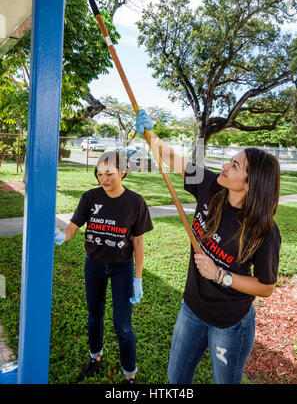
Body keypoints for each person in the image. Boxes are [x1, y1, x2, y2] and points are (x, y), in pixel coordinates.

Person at [136, 109, 281, 385]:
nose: (225, 167)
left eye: (235, 166)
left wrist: (220, 275)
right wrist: (150, 135)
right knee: (176, 379)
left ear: (251, 185)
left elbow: (266, 287)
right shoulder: (212, 186)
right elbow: (173, 161)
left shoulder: (264, 231)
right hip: (191, 308)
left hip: (230, 323)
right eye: (230, 161)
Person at [54, 150, 153, 384]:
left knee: (123, 325)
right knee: (94, 316)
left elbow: (138, 242)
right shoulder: (90, 197)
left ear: (123, 172)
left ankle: (130, 375)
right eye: (99, 174)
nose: (103, 179)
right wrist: (61, 236)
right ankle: (94, 359)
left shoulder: (135, 202)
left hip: (122, 268)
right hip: (94, 265)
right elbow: (73, 228)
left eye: (109, 173)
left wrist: (137, 278)